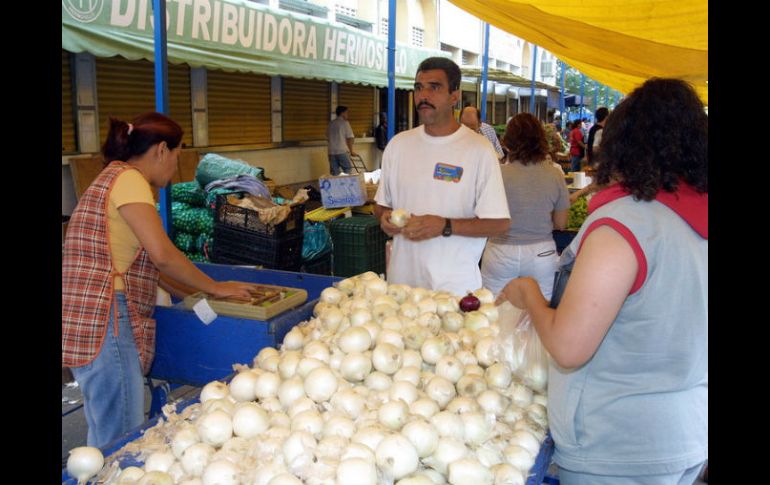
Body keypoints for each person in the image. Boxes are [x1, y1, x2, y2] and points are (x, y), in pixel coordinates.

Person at [497, 78, 708, 485]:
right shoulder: (695, 218)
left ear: (623, 142)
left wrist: (528, 296)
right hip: (687, 434)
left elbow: (569, 347)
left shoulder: (625, 224)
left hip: (617, 446)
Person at [62, 112, 253, 448]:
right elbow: (163, 254)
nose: (177, 167)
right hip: (106, 319)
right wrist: (215, 287)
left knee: (103, 433)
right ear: (162, 150)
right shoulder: (130, 179)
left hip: (88, 318)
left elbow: (156, 268)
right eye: (178, 156)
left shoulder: (111, 178)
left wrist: (203, 298)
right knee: (121, 436)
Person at [374, 57, 511, 296]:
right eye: (419, 88)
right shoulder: (398, 145)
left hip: (455, 292)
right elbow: (381, 205)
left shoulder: (478, 150)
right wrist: (384, 217)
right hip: (401, 289)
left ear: (454, 96)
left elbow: (499, 223)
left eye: (434, 87)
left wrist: (445, 226)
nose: (423, 96)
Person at [480, 113, 570, 298]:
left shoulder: (497, 174)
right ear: (541, 140)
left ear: (507, 142)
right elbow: (561, 224)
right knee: (537, 316)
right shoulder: (555, 174)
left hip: (500, 251)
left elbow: (483, 217)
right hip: (541, 253)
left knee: (493, 313)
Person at [326, 105, 358, 175]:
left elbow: (327, 136)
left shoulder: (331, 123)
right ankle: (345, 184)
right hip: (342, 151)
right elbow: (350, 138)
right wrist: (351, 151)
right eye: (346, 113)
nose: (347, 115)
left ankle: (336, 185)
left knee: (334, 172)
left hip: (331, 151)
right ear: (342, 113)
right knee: (347, 168)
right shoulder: (345, 123)